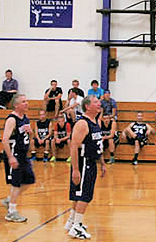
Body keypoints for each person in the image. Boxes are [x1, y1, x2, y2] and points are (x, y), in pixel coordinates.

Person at [65, 95, 107, 239]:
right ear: (87, 106)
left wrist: (102, 163)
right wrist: (75, 170)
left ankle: (72, 222)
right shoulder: (82, 123)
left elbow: (97, 145)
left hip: (91, 162)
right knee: (84, 195)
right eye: (96, 102)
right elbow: (73, 147)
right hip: (83, 163)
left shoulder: (95, 122)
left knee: (80, 195)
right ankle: (76, 227)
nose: (99, 103)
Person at [1, 94, 35, 222]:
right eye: (23, 101)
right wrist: (10, 157)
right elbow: (4, 140)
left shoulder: (25, 118)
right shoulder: (12, 119)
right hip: (14, 155)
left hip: (23, 155)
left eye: (26, 101)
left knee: (29, 180)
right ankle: (11, 212)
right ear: (16, 105)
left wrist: (31, 133)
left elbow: (28, 138)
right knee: (16, 183)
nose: (26, 103)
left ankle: (10, 200)